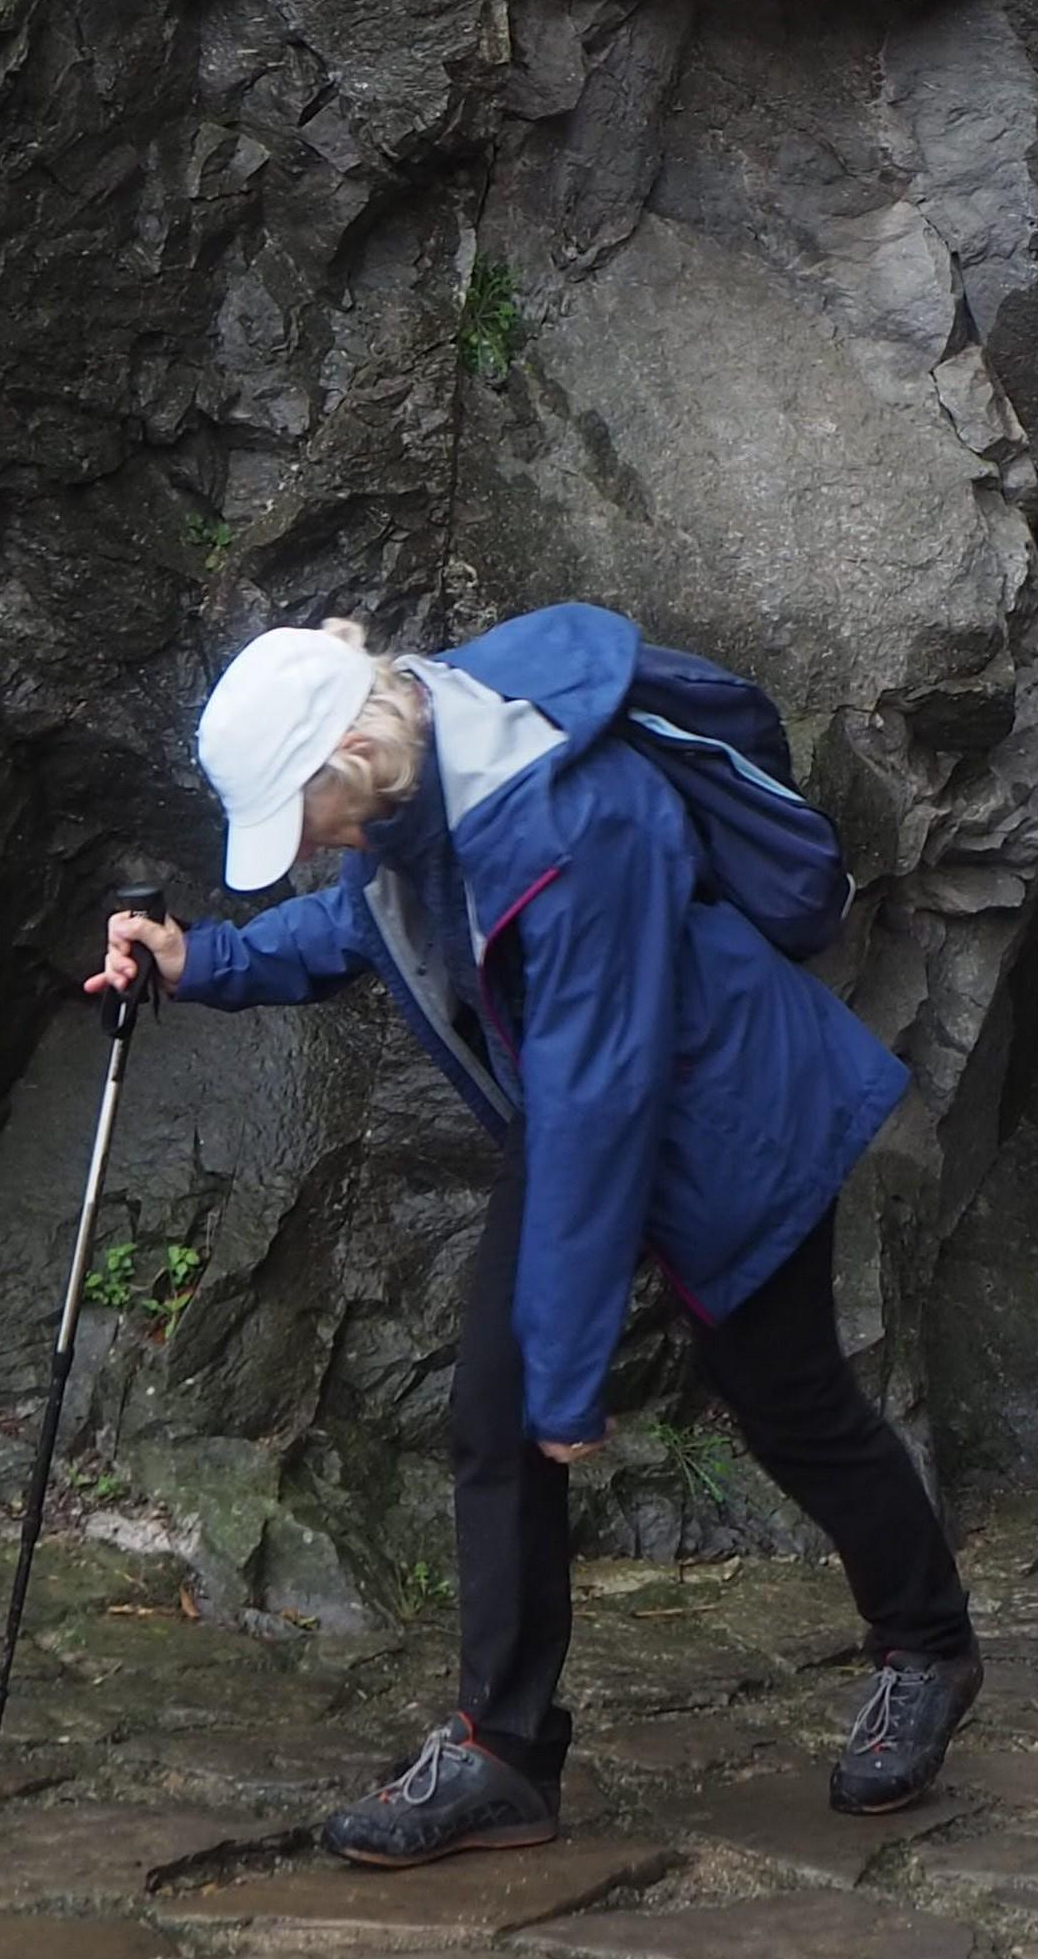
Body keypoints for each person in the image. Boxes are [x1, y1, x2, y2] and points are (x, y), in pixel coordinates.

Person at [94, 610, 981, 1868]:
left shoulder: (571, 823)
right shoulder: (420, 763)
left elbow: (597, 1106)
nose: (308, 843)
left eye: (303, 814)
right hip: (596, 1110)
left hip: (733, 1118)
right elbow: (369, 923)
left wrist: (569, 1366)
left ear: (351, 753)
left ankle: (929, 1645)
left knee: (789, 1404)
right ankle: (504, 1753)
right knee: (494, 1415)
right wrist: (204, 959)